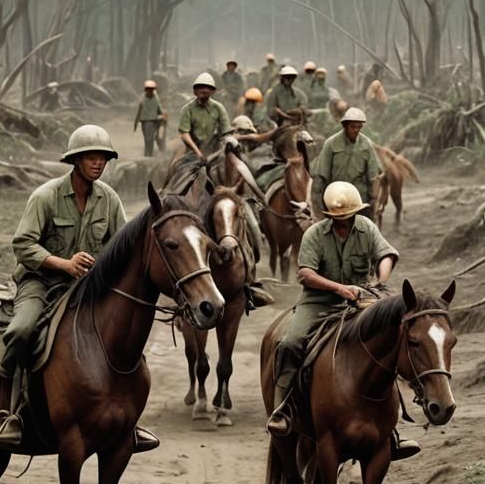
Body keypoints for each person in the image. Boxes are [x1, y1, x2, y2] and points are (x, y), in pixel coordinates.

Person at [0, 125, 158, 452]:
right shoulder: (45, 196)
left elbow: (120, 246)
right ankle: (14, 411)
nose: (98, 163)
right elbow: (23, 245)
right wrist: (62, 263)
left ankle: (128, 420)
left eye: (103, 158)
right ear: (75, 160)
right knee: (23, 329)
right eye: (91, 157)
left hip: (89, 286)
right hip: (41, 281)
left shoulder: (108, 199)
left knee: (123, 335)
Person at [266, 182, 419, 459]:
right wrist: (338, 288)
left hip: (362, 300)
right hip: (319, 301)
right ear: (328, 216)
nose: (343, 222)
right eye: (338, 218)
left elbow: (386, 254)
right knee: (290, 343)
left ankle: (391, 429)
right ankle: (282, 408)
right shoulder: (315, 234)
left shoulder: (366, 228)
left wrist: (380, 282)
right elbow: (305, 274)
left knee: (389, 341)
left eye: (348, 216)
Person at [312, 107, 381, 218]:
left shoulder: (366, 144)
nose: (356, 130)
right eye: (352, 127)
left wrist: (374, 201)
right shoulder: (331, 143)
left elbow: (374, 177)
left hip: (359, 198)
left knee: (363, 230)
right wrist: (319, 205)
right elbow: (321, 176)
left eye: (359, 127)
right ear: (345, 126)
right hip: (335, 197)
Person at [177, 72, 231, 162]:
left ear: (213, 92)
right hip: (193, 152)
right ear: (195, 91)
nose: (204, 90)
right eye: (201, 87)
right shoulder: (187, 109)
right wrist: (198, 152)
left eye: (208, 88)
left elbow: (227, 132)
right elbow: (184, 134)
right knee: (184, 173)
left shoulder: (219, 108)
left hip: (215, 152)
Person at [134, 80, 165, 158]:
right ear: (145, 89)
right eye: (148, 89)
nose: (150, 91)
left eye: (152, 89)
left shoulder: (156, 98)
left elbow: (160, 109)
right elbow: (139, 111)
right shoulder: (142, 98)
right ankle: (147, 153)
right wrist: (135, 124)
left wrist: (162, 117)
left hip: (153, 121)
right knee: (147, 139)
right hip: (145, 121)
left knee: (150, 139)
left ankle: (149, 155)